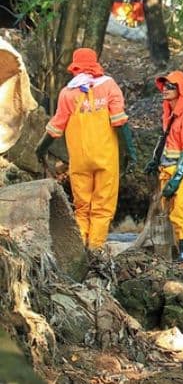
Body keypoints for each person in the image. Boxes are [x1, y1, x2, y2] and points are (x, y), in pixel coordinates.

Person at [35, 48, 136, 249]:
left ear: (75, 67)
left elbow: (55, 128)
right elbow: (120, 122)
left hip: (80, 161)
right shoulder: (109, 85)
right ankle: (96, 249)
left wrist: (40, 149)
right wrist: (130, 153)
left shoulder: (67, 92)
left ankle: (79, 249)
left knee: (82, 208)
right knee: (102, 208)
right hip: (105, 159)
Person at [145, 70, 183, 262]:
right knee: (171, 212)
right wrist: (155, 161)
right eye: (164, 86)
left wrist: (176, 180)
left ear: (181, 90)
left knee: (180, 208)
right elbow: (166, 140)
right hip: (169, 168)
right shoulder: (170, 113)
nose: (166, 89)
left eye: (171, 86)